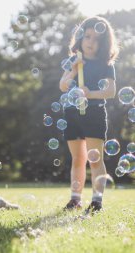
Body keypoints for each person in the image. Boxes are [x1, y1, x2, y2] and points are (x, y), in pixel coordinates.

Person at [59, 16, 119, 213]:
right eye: (87, 36)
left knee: (95, 159)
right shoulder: (74, 61)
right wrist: (74, 69)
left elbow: (110, 91)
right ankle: (75, 199)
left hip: (94, 113)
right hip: (72, 113)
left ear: (103, 43)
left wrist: (89, 93)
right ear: (81, 38)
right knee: (78, 159)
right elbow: (63, 85)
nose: (90, 42)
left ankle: (97, 201)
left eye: (96, 39)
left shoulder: (105, 64)